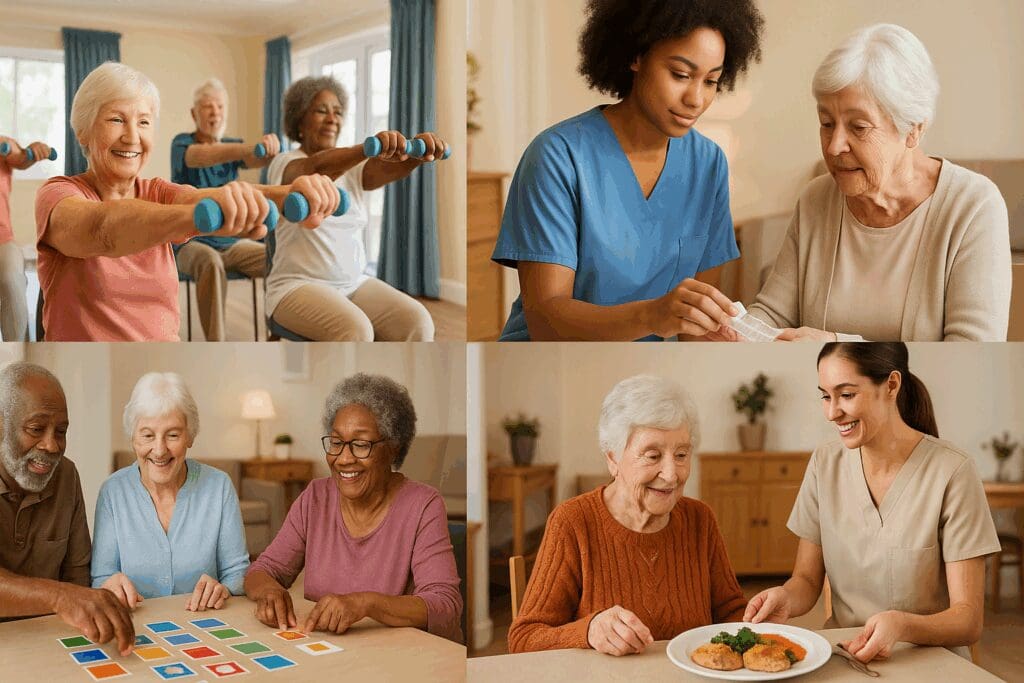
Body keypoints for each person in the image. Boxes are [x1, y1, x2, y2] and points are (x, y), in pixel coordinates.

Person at [490, 0, 765, 341]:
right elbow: (546, 321)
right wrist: (653, 315)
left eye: (711, 81)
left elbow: (696, 322)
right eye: (680, 74)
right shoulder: (557, 156)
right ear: (636, 56)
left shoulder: (708, 164)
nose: (696, 98)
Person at [34, 61, 338, 341]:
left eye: (143, 122)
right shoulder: (58, 194)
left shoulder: (157, 191)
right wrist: (190, 217)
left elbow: (196, 196)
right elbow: (103, 228)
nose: (132, 137)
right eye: (116, 119)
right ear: (83, 132)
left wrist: (290, 193)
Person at [744, 24, 1010, 341]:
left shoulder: (973, 206)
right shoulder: (816, 199)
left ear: (913, 129)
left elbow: (972, 352)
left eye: (858, 127)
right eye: (826, 123)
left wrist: (836, 346)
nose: (833, 146)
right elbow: (773, 315)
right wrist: (731, 328)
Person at [745, 343, 999, 663]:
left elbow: (968, 619)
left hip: (930, 661)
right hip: (846, 657)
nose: (832, 412)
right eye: (826, 395)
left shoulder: (953, 471)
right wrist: (785, 596)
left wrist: (902, 625)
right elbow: (807, 581)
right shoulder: (825, 464)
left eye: (847, 395)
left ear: (891, 385)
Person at [508, 375, 746, 654]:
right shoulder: (572, 522)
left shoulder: (700, 519)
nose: (671, 475)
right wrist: (589, 630)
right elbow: (523, 639)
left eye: (681, 455)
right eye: (653, 455)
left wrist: (759, 622)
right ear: (613, 459)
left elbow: (730, 612)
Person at [244, 374, 462, 642]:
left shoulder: (423, 504)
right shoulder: (315, 497)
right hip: (331, 651)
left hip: (400, 655)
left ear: (393, 448)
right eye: (336, 442)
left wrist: (365, 604)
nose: (344, 459)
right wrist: (269, 591)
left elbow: (445, 604)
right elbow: (263, 570)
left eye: (360, 444)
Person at [264, 76, 442, 341]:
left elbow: (387, 168)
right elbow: (317, 168)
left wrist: (418, 153)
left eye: (337, 112)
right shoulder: (284, 162)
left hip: (354, 283)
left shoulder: (355, 170)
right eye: (321, 111)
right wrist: (368, 148)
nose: (332, 118)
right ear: (299, 119)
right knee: (355, 329)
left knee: (418, 321)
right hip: (296, 286)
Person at [0, 362, 135, 654]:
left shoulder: (66, 476)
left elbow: (77, 577)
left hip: (49, 641)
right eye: (36, 429)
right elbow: (69, 593)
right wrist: (60, 597)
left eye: (61, 431)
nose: (51, 445)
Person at [92, 372, 249, 610]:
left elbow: (237, 574)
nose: (159, 450)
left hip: (204, 625)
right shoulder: (112, 492)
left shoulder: (219, 486)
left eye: (173, 435)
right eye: (147, 435)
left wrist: (223, 589)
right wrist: (109, 586)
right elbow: (101, 578)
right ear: (133, 438)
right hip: (136, 627)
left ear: (190, 436)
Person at [171, 78, 281, 342]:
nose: (215, 113)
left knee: (277, 259)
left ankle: (276, 334)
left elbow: (254, 158)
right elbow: (202, 156)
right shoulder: (182, 144)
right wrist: (247, 149)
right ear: (193, 113)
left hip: (231, 244)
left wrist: (268, 148)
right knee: (210, 262)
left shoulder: (234, 145)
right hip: (188, 244)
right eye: (208, 107)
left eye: (220, 107)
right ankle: (215, 342)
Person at [0, 138, 51, 341]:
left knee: (11, 281)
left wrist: (33, 151)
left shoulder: (2, 144)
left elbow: (20, 157)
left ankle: (17, 344)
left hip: (2, 241)